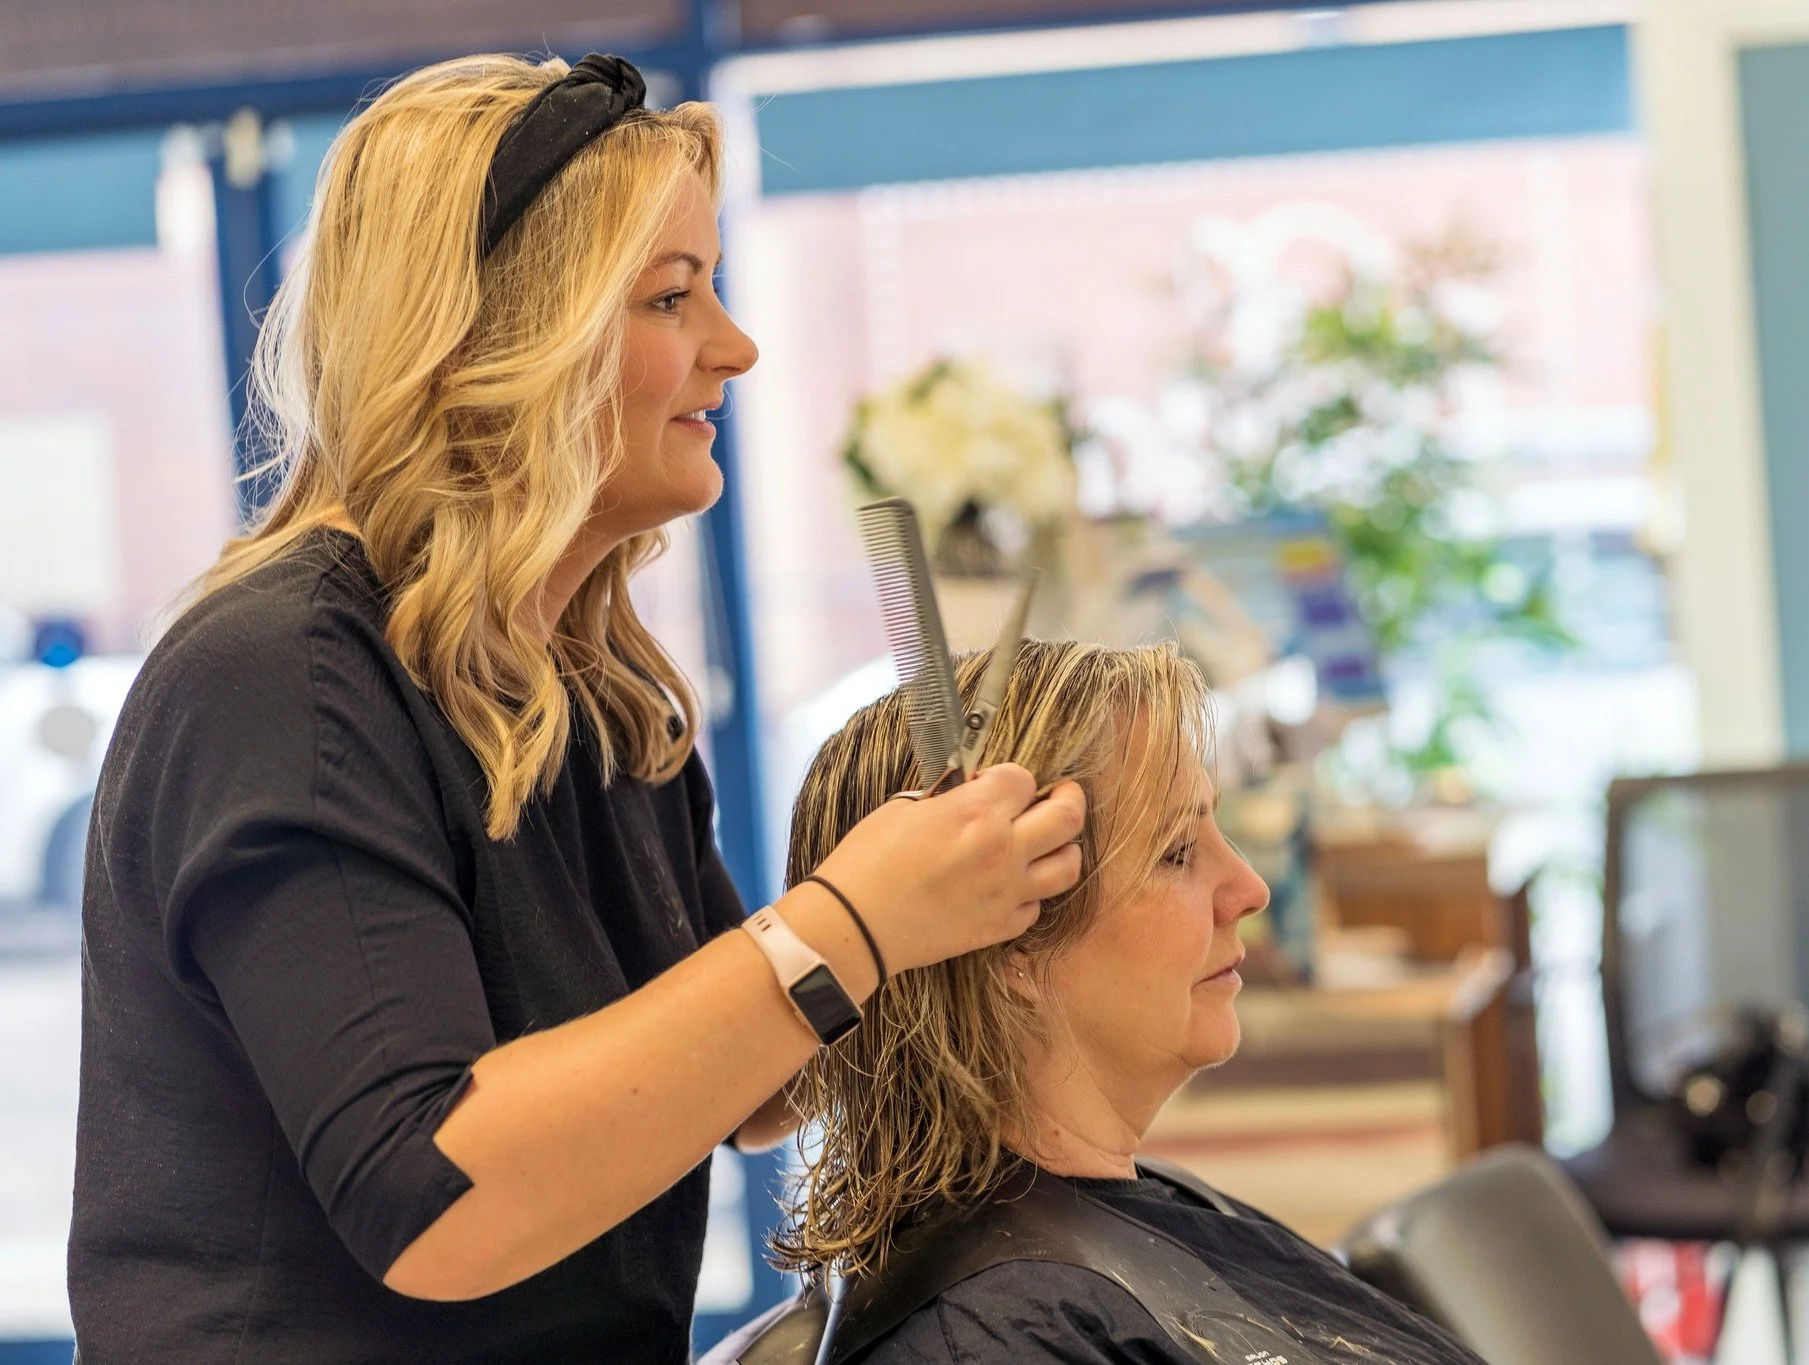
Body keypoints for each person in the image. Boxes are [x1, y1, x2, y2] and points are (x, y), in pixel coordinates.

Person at [68, 52, 1086, 1363]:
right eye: (673, 296)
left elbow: (754, 1081)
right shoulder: (287, 676)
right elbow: (444, 1193)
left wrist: (954, 916)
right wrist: (849, 922)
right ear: (498, 341)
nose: (737, 346)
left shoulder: (595, 694)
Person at [776, 639, 1486, 1365]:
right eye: (1177, 850)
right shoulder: (1000, 1339)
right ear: (1001, 935)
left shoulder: (1129, 1220)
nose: (1249, 888)